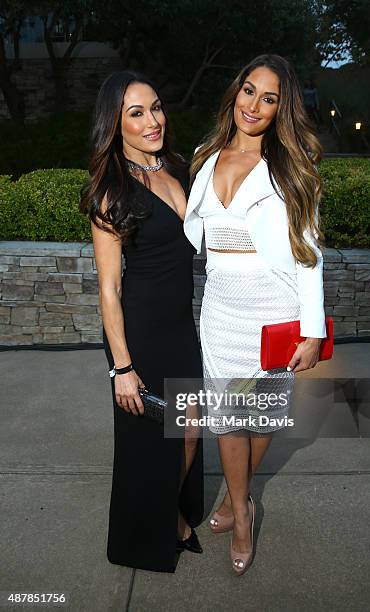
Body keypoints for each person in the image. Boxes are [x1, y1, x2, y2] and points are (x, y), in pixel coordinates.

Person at [184, 54, 326, 575]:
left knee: (262, 418)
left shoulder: (291, 170)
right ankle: (242, 509)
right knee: (228, 419)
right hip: (221, 311)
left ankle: (234, 505)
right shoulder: (205, 155)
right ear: (235, 93)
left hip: (273, 312)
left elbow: (309, 254)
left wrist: (311, 331)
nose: (254, 105)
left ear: (281, 109)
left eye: (269, 98)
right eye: (249, 91)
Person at [79, 70, 204, 573]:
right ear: (115, 124)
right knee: (153, 441)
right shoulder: (111, 191)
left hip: (181, 325)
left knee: (190, 432)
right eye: (136, 113)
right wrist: (121, 368)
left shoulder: (174, 168)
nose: (153, 120)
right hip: (143, 333)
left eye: (156, 107)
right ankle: (158, 528)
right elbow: (109, 288)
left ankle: (170, 510)